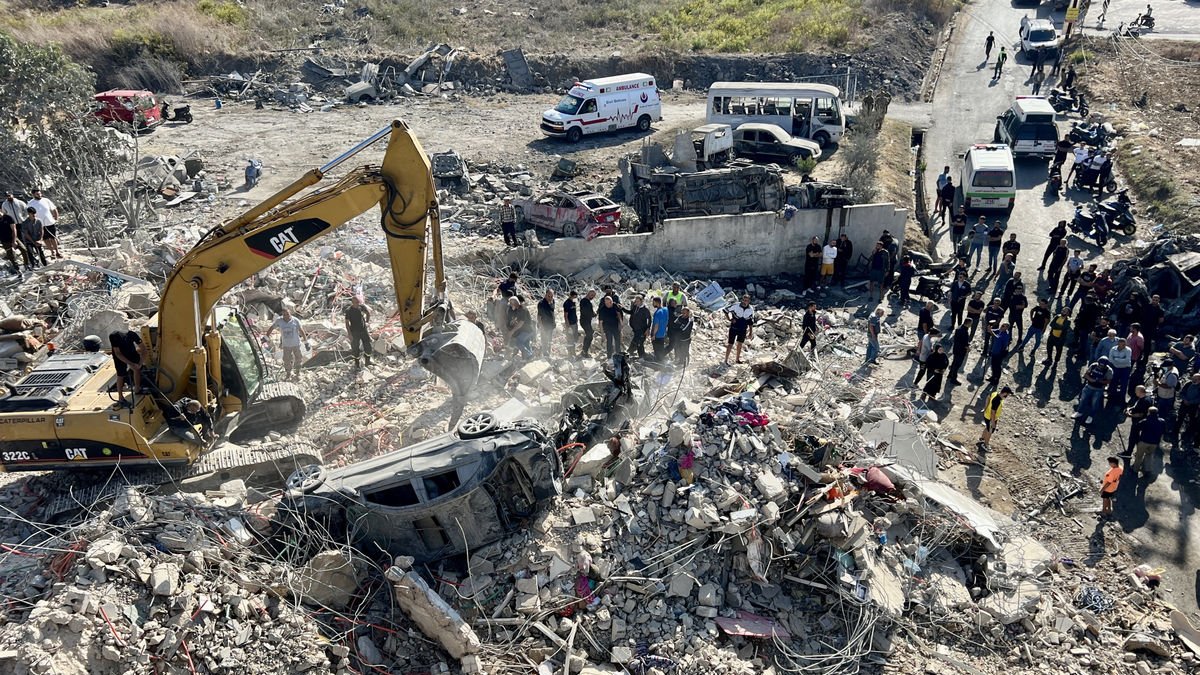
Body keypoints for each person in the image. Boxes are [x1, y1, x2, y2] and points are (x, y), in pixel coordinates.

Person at [265, 307, 307, 381]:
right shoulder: (279, 321)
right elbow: (271, 328)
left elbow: (301, 331)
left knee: (298, 359)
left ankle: (298, 373)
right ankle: (288, 374)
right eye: (284, 315)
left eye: (287, 314)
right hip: (286, 345)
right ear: (282, 315)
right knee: (286, 360)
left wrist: (306, 342)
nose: (286, 316)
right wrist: (266, 337)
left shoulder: (295, 321)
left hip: (296, 344)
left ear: (290, 313)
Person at [109, 329, 144, 409]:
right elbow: (118, 353)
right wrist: (131, 364)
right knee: (120, 374)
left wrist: (140, 363)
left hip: (131, 352)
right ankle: (121, 398)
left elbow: (144, 349)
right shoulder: (114, 336)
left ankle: (137, 389)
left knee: (137, 369)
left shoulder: (132, 334)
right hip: (119, 355)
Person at [1075, 357, 1113, 425]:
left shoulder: (1109, 370)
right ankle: (1079, 412)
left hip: (1099, 389)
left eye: (1102, 366)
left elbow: (1109, 381)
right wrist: (1091, 379)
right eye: (1100, 365)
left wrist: (1100, 381)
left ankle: (1091, 416)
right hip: (1088, 386)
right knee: (1083, 399)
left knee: (1094, 403)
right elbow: (1086, 374)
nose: (1100, 367)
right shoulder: (1093, 365)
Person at [27, 188, 60, 260]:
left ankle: (57, 252)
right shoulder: (30, 203)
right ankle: (52, 252)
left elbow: (54, 209)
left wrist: (56, 219)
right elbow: (30, 214)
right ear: (33, 195)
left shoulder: (46, 200)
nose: (39, 195)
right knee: (46, 239)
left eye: (40, 193)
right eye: (37, 194)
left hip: (50, 222)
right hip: (39, 224)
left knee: (53, 237)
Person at [1132, 407, 1164, 475]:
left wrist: (1137, 439)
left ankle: (1135, 470)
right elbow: (1163, 431)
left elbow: (1136, 428)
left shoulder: (1145, 421)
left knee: (1139, 456)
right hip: (1154, 443)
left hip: (1144, 441)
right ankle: (1147, 470)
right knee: (1149, 455)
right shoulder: (1162, 421)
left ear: (1149, 413)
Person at [344, 295, 373, 368]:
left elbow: (368, 313)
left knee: (368, 346)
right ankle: (357, 364)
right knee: (355, 348)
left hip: (363, 330)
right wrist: (349, 334)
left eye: (358, 302)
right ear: (353, 302)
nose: (358, 304)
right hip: (354, 332)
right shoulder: (349, 311)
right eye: (356, 302)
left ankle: (367, 362)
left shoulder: (361, 307)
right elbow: (347, 323)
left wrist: (367, 322)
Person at [725, 294, 754, 365]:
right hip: (734, 327)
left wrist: (750, 332)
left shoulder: (751, 309)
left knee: (740, 344)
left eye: (746, 300)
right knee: (730, 344)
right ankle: (726, 360)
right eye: (743, 300)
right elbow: (725, 310)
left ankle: (737, 359)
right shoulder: (736, 305)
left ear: (749, 301)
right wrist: (730, 319)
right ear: (742, 300)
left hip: (743, 329)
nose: (744, 302)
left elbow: (751, 322)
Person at [1126, 385, 1152, 455]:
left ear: (1140, 392)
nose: (1135, 392)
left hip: (1138, 422)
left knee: (1133, 437)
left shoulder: (1144, 401)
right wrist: (1130, 409)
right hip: (1140, 422)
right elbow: (1136, 407)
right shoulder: (1145, 398)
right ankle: (1140, 451)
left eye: (1136, 391)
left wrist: (1130, 415)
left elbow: (1141, 414)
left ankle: (1128, 453)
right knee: (1137, 438)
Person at [1178, 374, 1200, 449]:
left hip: (1193, 406)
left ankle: (1188, 434)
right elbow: (1182, 393)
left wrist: (1190, 402)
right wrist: (1185, 399)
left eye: (1195, 379)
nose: (1193, 380)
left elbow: (1198, 399)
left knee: (1192, 420)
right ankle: (1176, 431)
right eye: (1193, 378)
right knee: (1180, 417)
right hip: (1184, 404)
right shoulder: (1188, 384)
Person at [987, 322, 1011, 387]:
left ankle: (996, 380)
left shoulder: (1006, 335)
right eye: (1002, 325)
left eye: (1003, 326)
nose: (1001, 326)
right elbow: (992, 331)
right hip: (994, 351)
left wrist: (991, 332)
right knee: (993, 365)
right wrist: (990, 329)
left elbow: (997, 338)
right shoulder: (1000, 330)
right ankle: (993, 377)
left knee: (997, 367)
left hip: (999, 353)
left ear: (1006, 328)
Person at [627, 294, 651, 359]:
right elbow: (630, 312)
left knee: (639, 343)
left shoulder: (645, 309)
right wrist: (622, 308)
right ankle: (630, 352)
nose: (636, 302)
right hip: (636, 329)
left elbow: (649, 319)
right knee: (635, 341)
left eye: (638, 301)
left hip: (642, 329)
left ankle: (641, 357)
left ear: (641, 301)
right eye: (636, 301)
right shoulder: (635, 307)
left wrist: (648, 328)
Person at [949, 318, 972, 385]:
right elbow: (964, 343)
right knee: (957, 365)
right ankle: (953, 379)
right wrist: (968, 349)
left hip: (956, 349)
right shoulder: (964, 332)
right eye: (970, 323)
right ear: (968, 323)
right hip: (961, 351)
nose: (971, 325)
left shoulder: (959, 328)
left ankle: (950, 375)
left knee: (954, 363)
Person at [0, 210, 23, 276]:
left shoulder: (8, 217)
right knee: (11, 256)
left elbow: (14, 229)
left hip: (13, 237)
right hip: (4, 241)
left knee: (24, 250)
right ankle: (18, 270)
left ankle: (27, 265)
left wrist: (14, 241)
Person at [536, 289, 556, 358]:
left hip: (551, 325)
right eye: (548, 296)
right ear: (545, 295)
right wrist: (541, 327)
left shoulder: (553, 301)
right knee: (544, 340)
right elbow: (539, 316)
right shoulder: (541, 303)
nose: (550, 297)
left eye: (551, 296)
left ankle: (548, 353)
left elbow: (552, 312)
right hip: (544, 325)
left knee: (549, 340)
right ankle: (545, 354)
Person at [650, 296, 669, 360]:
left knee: (657, 350)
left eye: (653, 302)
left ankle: (658, 361)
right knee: (661, 349)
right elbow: (667, 321)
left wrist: (653, 335)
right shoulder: (666, 309)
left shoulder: (657, 313)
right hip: (663, 333)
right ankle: (661, 360)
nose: (652, 304)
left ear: (657, 303)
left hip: (657, 335)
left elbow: (656, 325)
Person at [579, 289, 596, 358]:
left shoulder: (588, 302)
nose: (593, 297)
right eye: (592, 295)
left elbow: (590, 311)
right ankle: (584, 351)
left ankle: (584, 350)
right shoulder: (584, 301)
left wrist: (594, 314)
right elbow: (586, 312)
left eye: (594, 296)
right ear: (588, 293)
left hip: (587, 321)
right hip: (584, 321)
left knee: (589, 334)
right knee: (590, 336)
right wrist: (593, 314)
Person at [563, 290, 579, 355]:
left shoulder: (574, 301)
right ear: (570, 295)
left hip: (575, 322)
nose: (575, 298)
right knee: (570, 339)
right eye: (574, 297)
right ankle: (570, 353)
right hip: (570, 324)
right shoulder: (567, 303)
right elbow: (565, 315)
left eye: (575, 297)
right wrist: (568, 325)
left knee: (575, 338)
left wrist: (576, 319)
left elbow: (574, 311)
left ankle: (573, 351)